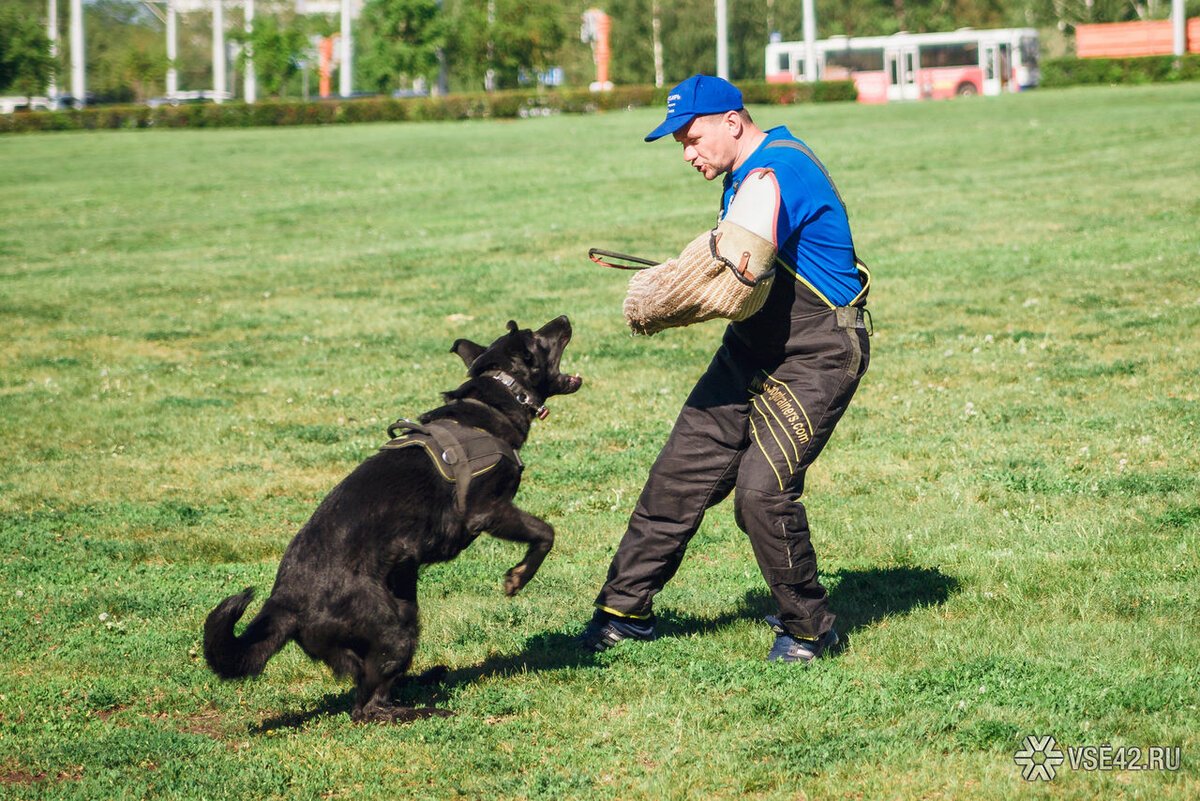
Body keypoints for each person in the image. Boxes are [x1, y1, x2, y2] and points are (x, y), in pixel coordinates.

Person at [579, 75, 871, 663]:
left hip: (818, 352)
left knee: (760, 494)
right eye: (679, 143)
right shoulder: (744, 173)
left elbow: (737, 282)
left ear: (733, 121)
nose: (687, 153)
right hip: (753, 349)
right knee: (678, 473)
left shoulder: (773, 171)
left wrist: (665, 298)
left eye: (692, 137)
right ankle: (623, 612)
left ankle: (811, 627)